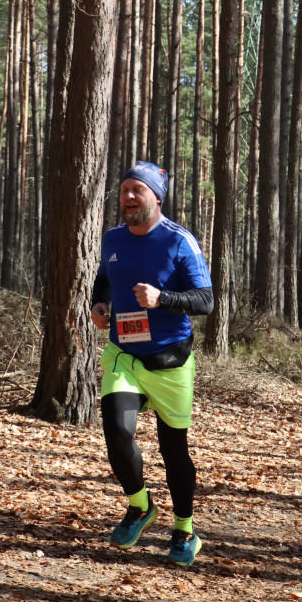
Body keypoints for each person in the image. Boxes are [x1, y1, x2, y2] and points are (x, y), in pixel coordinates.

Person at [90, 161, 213, 566]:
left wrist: (164, 299)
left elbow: (206, 301)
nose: (127, 196)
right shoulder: (113, 238)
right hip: (123, 353)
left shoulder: (180, 241)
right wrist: (100, 303)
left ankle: (184, 529)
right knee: (116, 432)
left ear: (156, 197)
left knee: (173, 448)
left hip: (170, 360)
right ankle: (140, 506)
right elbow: (105, 277)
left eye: (136, 190)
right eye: (124, 189)